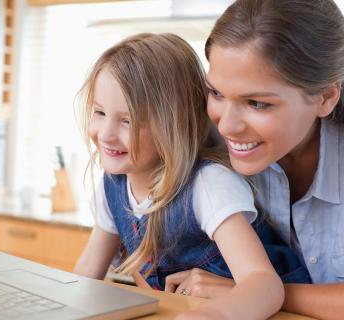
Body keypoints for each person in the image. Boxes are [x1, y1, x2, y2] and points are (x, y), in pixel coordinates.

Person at [72, 32, 299, 320]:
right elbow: (85, 276)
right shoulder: (112, 186)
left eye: (129, 121)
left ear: (175, 124)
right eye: (100, 112)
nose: (105, 134)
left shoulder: (210, 184)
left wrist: (216, 315)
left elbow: (265, 284)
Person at [164, 1, 344, 319]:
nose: (227, 126)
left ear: (326, 97)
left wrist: (253, 290)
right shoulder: (210, 155)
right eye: (216, 93)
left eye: (257, 103)